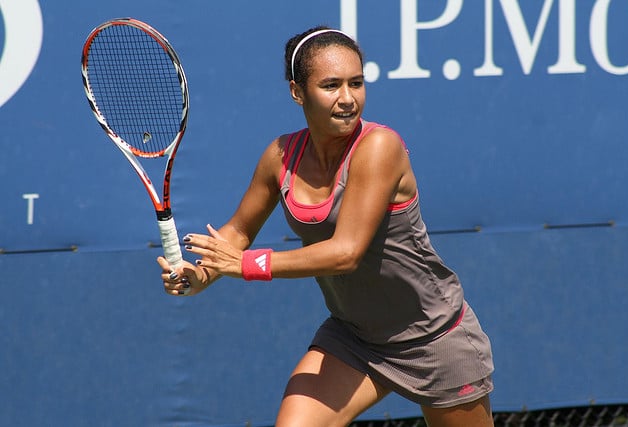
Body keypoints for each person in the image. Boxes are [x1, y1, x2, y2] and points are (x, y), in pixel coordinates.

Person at [158, 26, 495, 427]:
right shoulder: (279, 156)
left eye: (357, 83)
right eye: (331, 85)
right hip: (355, 338)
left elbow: (346, 252)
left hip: (433, 337)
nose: (348, 99)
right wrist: (201, 273)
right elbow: (236, 233)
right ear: (297, 92)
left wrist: (247, 265)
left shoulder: (379, 148)